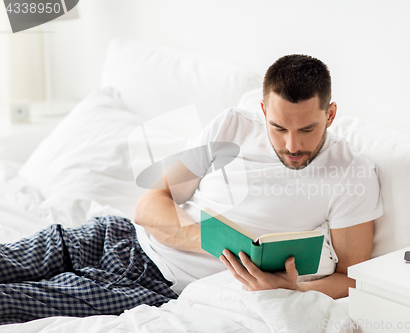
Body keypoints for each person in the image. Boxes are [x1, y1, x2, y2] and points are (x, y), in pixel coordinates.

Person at [0, 54, 383, 324]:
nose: (292, 146)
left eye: (307, 129)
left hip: (152, 282)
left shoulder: (352, 174)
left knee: (9, 302)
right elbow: (150, 201)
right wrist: (206, 238)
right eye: (279, 128)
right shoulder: (233, 126)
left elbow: (352, 277)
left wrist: (292, 287)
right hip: (115, 235)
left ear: (329, 114)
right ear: (264, 111)